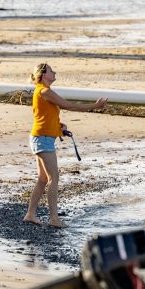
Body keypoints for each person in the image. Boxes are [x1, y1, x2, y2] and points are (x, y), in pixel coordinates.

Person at [24, 62, 107, 228]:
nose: (54, 72)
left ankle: (30, 214)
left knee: (43, 179)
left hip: (40, 137)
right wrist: (95, 106)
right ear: (43, 75)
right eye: (51, 71)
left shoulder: (41, 91)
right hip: (42, 139)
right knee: (53, 178)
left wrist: (59, 126)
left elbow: (44, 116)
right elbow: (69, 105)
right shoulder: (45, 91)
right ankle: (54, 218)